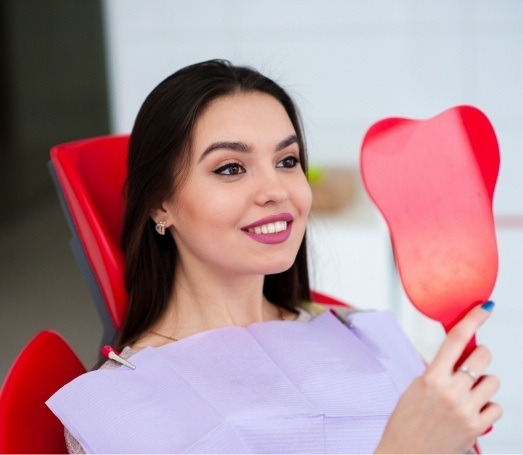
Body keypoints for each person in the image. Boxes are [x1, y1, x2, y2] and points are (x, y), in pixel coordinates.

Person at [47, 59, 502, 454]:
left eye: (287, 161)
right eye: (230, 168)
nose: (276, 191)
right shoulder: (118, 409)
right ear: (159, 204)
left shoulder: (359, 332)